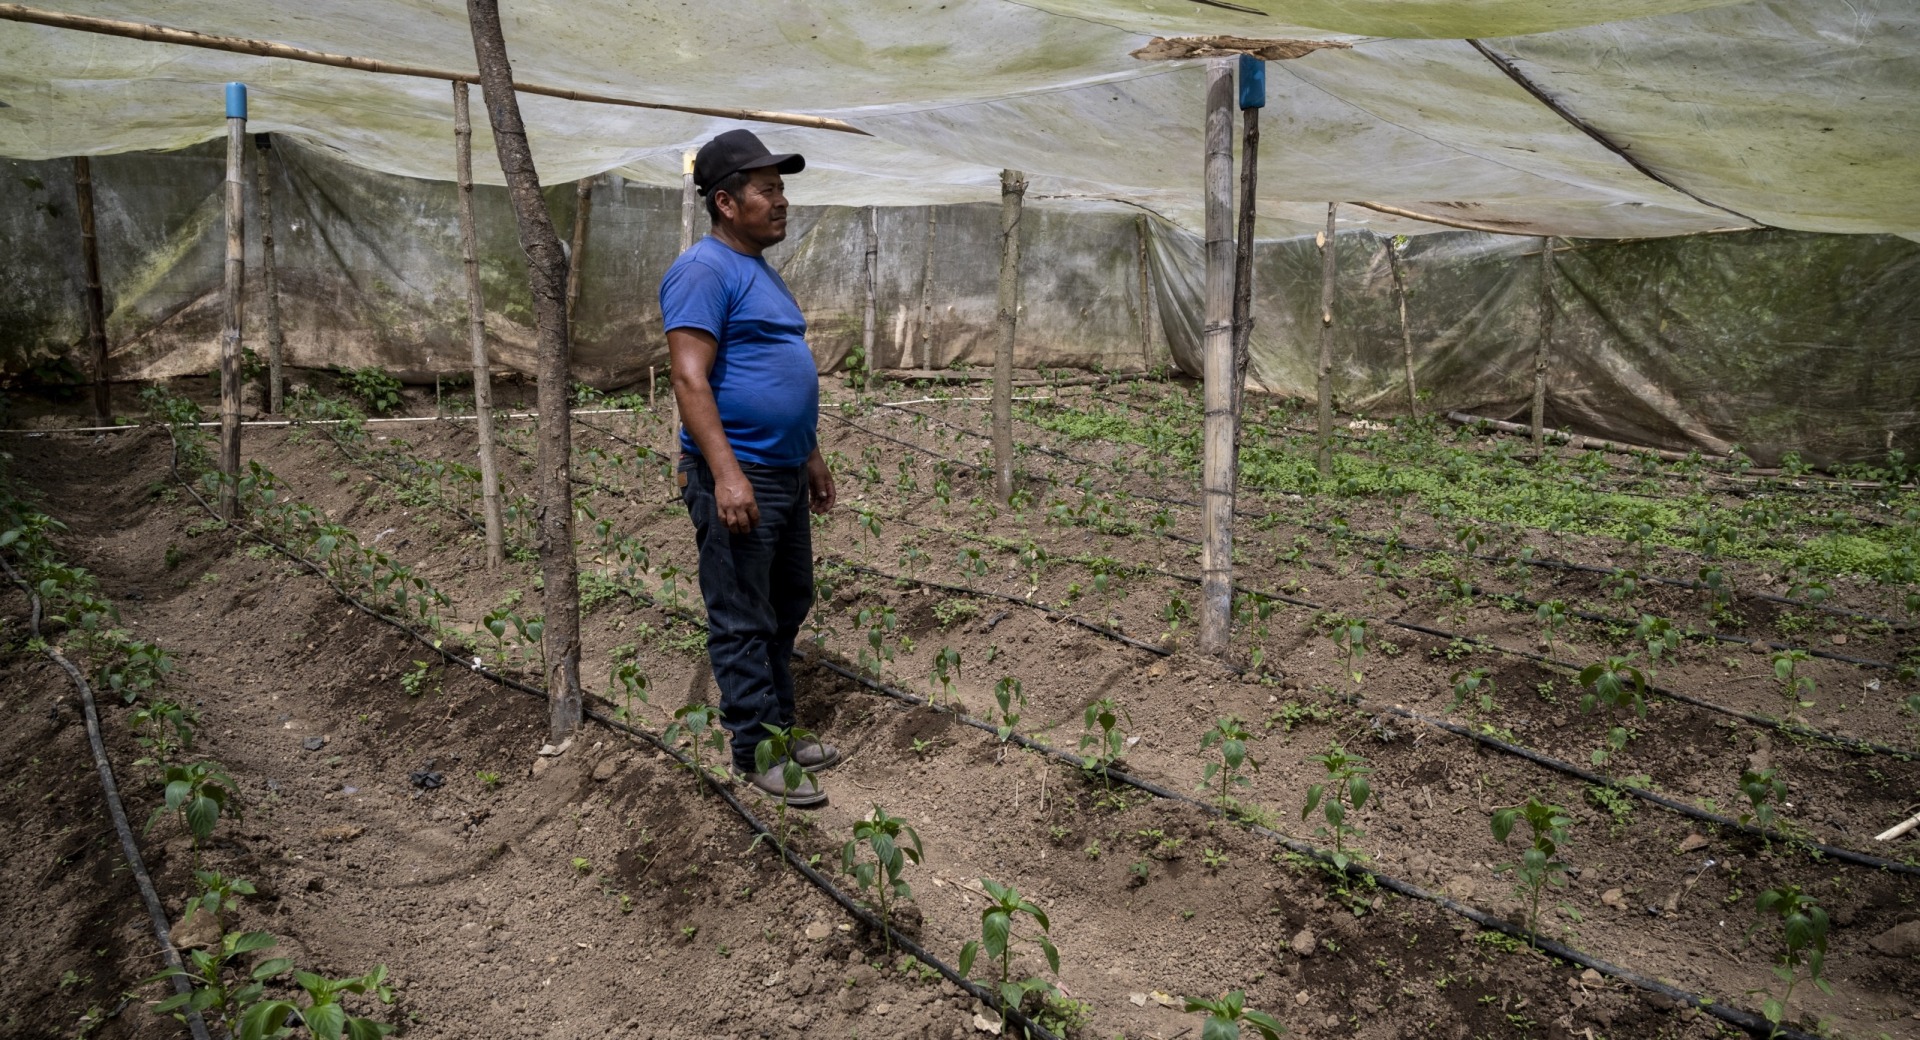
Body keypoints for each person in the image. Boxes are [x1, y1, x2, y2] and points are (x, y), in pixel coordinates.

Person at [660, 129, 838, 807]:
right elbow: (689, 378)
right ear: (728, 202)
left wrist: (811, 455)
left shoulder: (759, 271)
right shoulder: (703, 271)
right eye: (768, 190)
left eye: (782, 188)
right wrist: (726, 474)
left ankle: (782, 730)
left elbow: (779, 374)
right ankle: (755, 750)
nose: (782, 201)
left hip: (783, 467)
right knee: (740, 611)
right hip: (741, 473)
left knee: (787, 602)